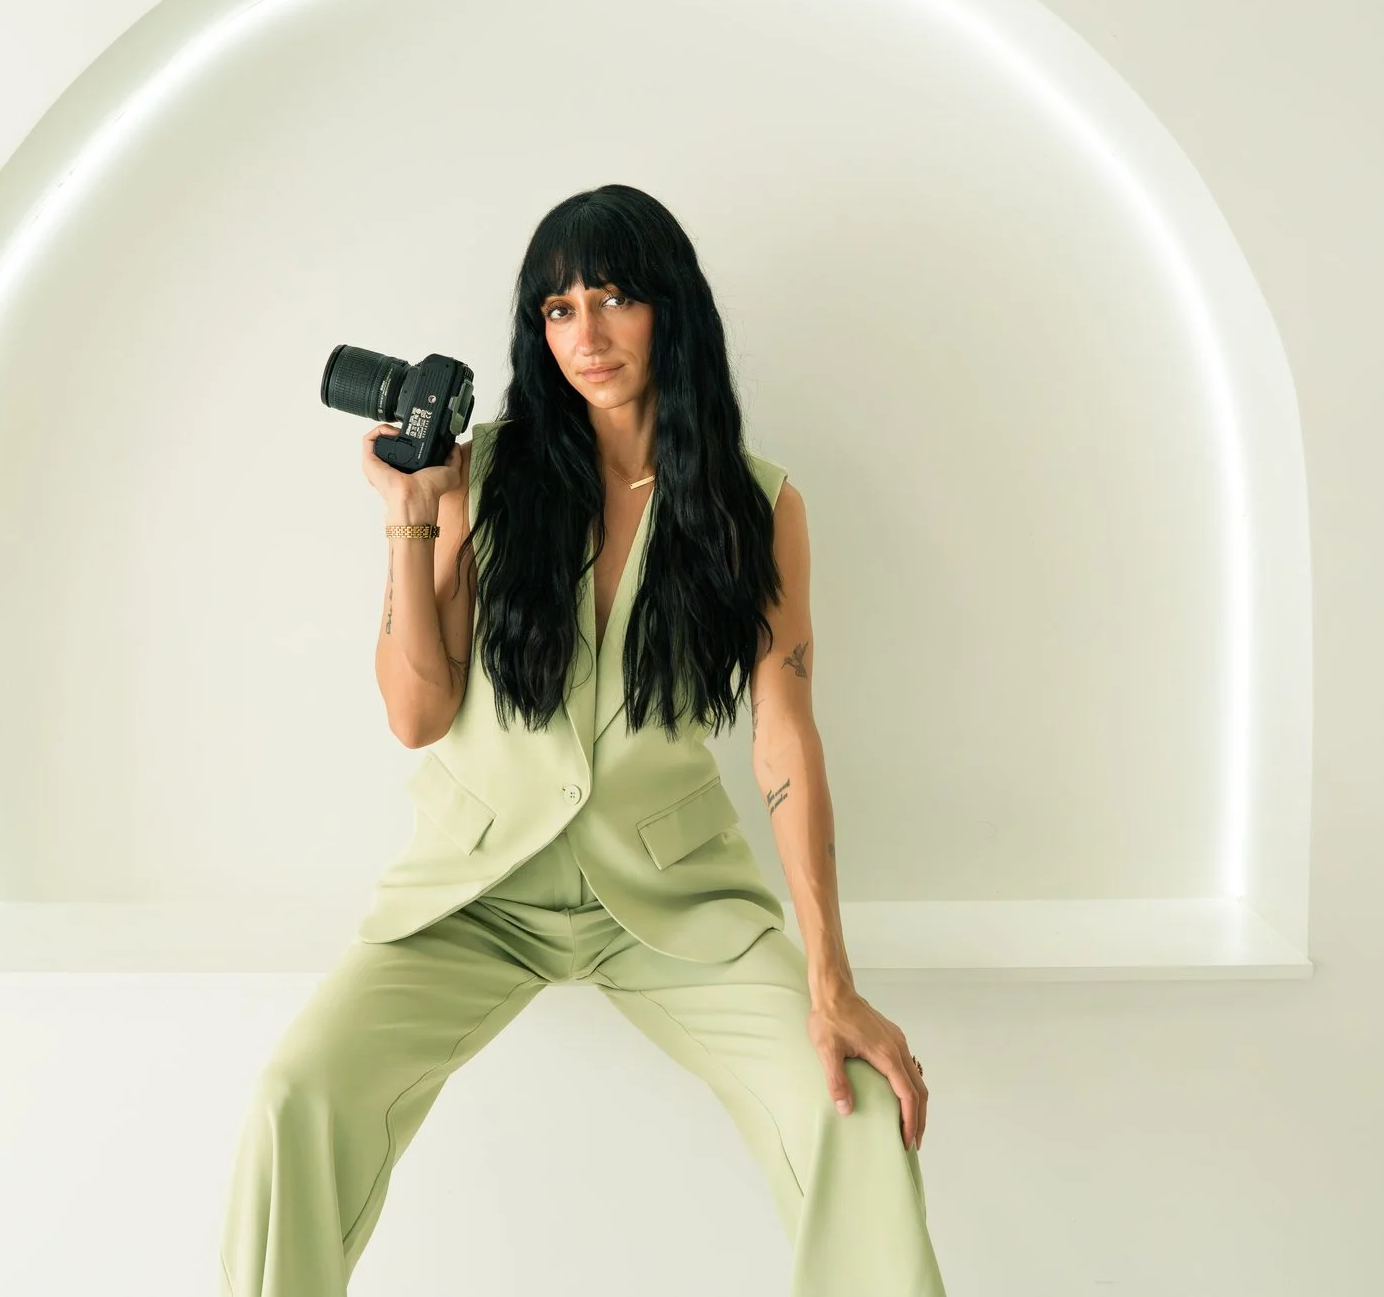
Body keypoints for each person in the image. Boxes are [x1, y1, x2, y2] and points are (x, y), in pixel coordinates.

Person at [221, 183, 947, 1296]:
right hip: (476, 893)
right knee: (294, 1094)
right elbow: (415, 713)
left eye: (612, 297)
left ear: (671, 310)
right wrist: (410, 514)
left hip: (674, 902)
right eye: (557, 308)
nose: (586, 334)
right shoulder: (493, 471)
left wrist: (831, 980)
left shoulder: (759, 506)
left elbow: (784, 736)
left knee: (851, 1113)